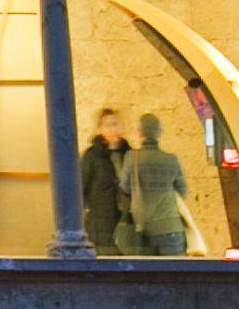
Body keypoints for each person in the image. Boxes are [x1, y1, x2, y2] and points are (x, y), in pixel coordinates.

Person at [125, 112, 193, 257]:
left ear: (139, 133)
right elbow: (183, 192)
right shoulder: (171, 160)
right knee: (174, 277)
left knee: (148, 277)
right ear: (159, 133)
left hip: (145, 230)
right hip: (172, 228)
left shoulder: (132, 158)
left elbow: (124, 188)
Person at [78, 107, 129, 254]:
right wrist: (88, 210)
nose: (112, 129)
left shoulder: (128, 154)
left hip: (125, 221)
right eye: (107, 125)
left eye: (115, 124)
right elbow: (81, 187)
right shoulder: (92, 156)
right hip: (100, 224)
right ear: (100, 129)